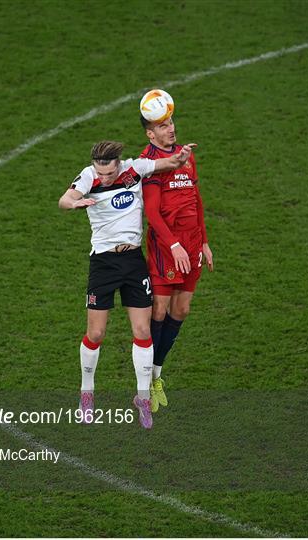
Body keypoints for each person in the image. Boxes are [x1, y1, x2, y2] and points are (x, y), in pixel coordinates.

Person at [59, 140, 195, 429]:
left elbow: (166, 164)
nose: (103, 178)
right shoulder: (88, 175)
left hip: (133, 262)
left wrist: (181, 156)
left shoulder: (135, 169)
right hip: (103, 265)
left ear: (118, 164)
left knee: (143, 330)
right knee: (95, 333)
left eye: (108, 174)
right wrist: (75, 202)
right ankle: (86, 394)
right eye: (100, 173)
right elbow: (65, 199)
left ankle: (143, 398)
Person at [139, 102, 214, 413]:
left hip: (192, 243)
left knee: (181, 310)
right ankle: (145, 382)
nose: (171, 129)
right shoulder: (150, 163)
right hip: (166, 248)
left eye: (171, 122)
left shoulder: (186, 154)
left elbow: (195, 197)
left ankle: (156, 373)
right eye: (163, 126)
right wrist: (173, 246)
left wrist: (205, 242)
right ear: (150, 133)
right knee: (159, 311)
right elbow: (152, 213)